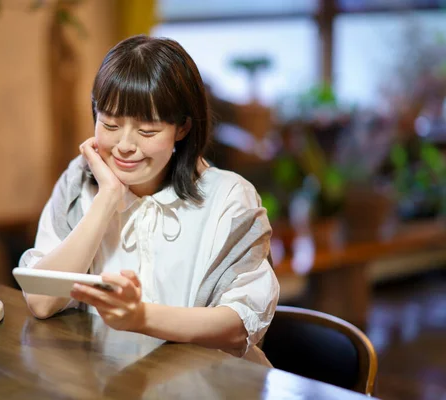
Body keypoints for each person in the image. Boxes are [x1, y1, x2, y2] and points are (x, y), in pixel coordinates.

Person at [18, 35, 279, 365]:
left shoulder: (229, 197)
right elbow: (42, 300)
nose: (125, 145)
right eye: (110, 124)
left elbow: (239, 325)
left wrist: (140, 317)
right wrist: (107, 197)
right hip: (114, 382)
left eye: (147, 131)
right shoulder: (80, 181)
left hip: (214, 385)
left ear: (182, 128)